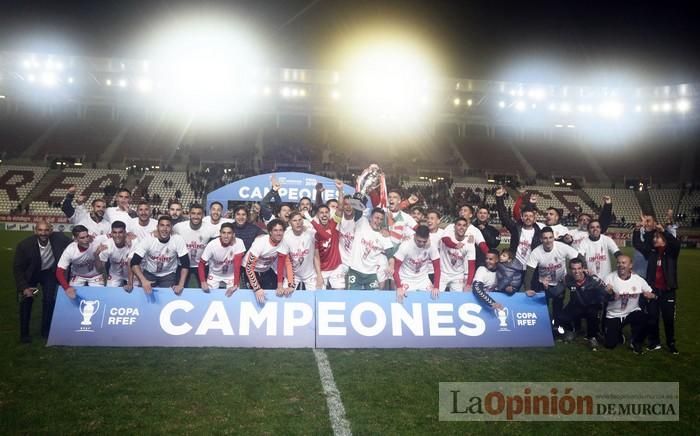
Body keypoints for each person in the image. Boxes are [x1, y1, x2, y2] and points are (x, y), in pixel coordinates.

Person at [13, 219, 70, 342]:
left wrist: (89, 240)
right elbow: (18, 268)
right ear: (35, 231)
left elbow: (74, 242)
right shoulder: (24, 245)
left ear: (51, 231)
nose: (43, 233)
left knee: (49, 300)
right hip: (31, 275)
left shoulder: (59, 238)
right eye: (40, 230)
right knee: (27, 301)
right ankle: (24, 334)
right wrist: (24, 287)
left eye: (46, 230)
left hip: (48, 273)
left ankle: (45, 331)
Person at [524, 227, 583, 335]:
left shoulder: (561, 247)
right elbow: (529, 271)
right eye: (545, 238)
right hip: (543, 283)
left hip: (560, 282)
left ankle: (557, 326)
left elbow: (578, 256)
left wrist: (584, 268)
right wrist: (527, 288)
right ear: (541, 239)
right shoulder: (536, 252)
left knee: (558, 306)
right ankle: (543, 328)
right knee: (543, 306)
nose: (548, 240)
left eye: (550, 237)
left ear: (553, 238)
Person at [633, 223, 681, 354]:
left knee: (668, 319)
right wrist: (637, 230)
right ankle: (655, 342)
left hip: (668, 291)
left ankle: (671, 343)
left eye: (657, 238)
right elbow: (638, 244)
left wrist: (664, 231)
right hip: (654, 291)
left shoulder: (671, 253)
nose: (655, 239)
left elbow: (676, 244)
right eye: (654, 237)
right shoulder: (652, 252)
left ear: (664, 240)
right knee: (652, 318)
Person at [603, 255, 655, 354]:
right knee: (610, 345)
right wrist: (608, 293)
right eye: (618, 263)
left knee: (647, 319)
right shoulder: (609, 278)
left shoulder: (637, 279)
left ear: (630, 265)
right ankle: (618, 334)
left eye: (624, 263)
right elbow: (602, 299)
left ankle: (636, 342)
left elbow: (651, 292)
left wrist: (650, 295)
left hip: (632, 312)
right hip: (614, 314)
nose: (620, 265)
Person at [495, 186, 542, 289]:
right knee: (510, 292)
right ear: (522, 217)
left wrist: (532, 204)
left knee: (530, 294)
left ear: (535, 218)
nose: (528, 218)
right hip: (514, 266)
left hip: (531, 268)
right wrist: (499, 198)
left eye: (530, 216)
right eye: (525, 216)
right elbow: (503, 216)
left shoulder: (539, 231)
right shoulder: (515, 229)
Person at [130, 216, 190, 295]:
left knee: (168, 297)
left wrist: (181, 285)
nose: (165, 229)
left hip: (168, 274)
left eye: (168, 226)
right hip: (149, 273)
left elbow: (186, 264)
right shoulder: (148, 239)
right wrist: (143, 280)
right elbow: (134, 262)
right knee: (145, 296)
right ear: (157, 227)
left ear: (171, 228)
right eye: (162, 225)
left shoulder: (177, 239)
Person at [557, 258, 608, 350]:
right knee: (561, 316)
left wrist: (603, 300)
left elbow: (606, 292)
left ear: (583, 268)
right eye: (573, 269)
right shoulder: (567, 279)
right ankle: (572, 331)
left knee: (593, 315)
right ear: (570, 270)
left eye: (579, 268)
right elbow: (557, 288)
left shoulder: (593, 279)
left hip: (591, 306)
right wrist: (545, 284)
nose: (576, 271)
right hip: (576, 305)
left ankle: (593, 337)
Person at [346, 208, 394, 290]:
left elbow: (390, 255)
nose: (378, 221)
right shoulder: (362, 223)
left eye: (381, 219)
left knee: (374, 298)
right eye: (376, 218)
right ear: (371, 217)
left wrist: (391, 266)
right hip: (355, 270)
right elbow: (357, 209)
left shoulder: (384, 236)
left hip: (371, 274)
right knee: (353, 297)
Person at [276, 211, 323, 292]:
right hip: (293, 275)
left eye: (300, 220)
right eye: (294, 221)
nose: (298, 223)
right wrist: (279, 285)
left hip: (310, 274)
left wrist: (319, 275)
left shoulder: (310, 233)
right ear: (290, 223)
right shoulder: (286, 237)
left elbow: (316, 254)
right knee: (283, 295)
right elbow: (281, 262)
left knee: (320, 294)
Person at [173, 204, 218, 287]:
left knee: (205, 290)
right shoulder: (179, 227)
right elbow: (167, 233)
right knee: (178, 289)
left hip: (202, 264)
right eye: (193, 213)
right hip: (183, 264)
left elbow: (218, 242)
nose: (196, 216)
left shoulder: (210, 229)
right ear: (189, 214)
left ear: (203, 215)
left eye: (199, 214)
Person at [394, 225, 441, 302]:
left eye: (424, 241)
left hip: (423, 280)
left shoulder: (432, 246)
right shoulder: (405, 246)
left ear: (428, 237)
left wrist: (436, 286)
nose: (421, 244)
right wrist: (398, 286)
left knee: (434, 298)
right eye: (419, 241)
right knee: (402, 300)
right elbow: (395, 269)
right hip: (406, 278)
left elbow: (437, 268)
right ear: (415, 236)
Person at [56, 225, 105, 297]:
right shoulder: (70, 250)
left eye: (87, 236)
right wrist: (67, 288)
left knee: (100, 297)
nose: (86, 240)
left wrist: (97, 255)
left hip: (95, 275)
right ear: (75, 239)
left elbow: (101, 270)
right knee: (73, 297)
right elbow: (59, 272)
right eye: (82, 238)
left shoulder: (96, 243)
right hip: (78, 276)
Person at [244, 219, 286, 303]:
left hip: (266, 269)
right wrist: (257, 288)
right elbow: (249, 268)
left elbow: (282, 264)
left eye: (281, 230)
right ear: (270, 232)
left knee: (271, 295)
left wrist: (280, 284)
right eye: (275, 230)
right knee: (254, 296)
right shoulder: (260, 243)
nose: (278, 233)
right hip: (249, 270)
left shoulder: (285, 241)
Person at [199, 223, 246, 296]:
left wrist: (235, 284)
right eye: (223, 233)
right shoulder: (212, 245)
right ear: (220, 233)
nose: (226, 236)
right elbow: (201, 263)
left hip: (231, 275)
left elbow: (237, 266)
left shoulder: (239, 242)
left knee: (234, 295)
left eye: (229, 233)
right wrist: (203, 281)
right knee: (207, 295)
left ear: (233, 234)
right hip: (214, 274)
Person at [438, 217, 476, 292]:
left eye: (464, 225)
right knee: (436, 296)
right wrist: (455, 245)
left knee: (457, 298)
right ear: (454, 226)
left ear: (467, 228)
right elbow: (445, 240)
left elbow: (472, 266)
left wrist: (468, 284)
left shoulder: (469, 244)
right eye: (459, 225)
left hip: (458, 275)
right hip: (443, 273)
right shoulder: (448, 234)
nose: (461, 227)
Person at [94, 220, 133, 291]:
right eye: (114, 232)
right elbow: (100, 270)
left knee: (135, 290)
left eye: (120, 232)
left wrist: (130, 282)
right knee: (110, 290)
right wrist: (96, 255)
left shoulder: (132, 243)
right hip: (115, 275)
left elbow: (135, 264)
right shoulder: (106, 245)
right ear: (111, 233)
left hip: (132, 274)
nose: (117, 235)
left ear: (125, 233)